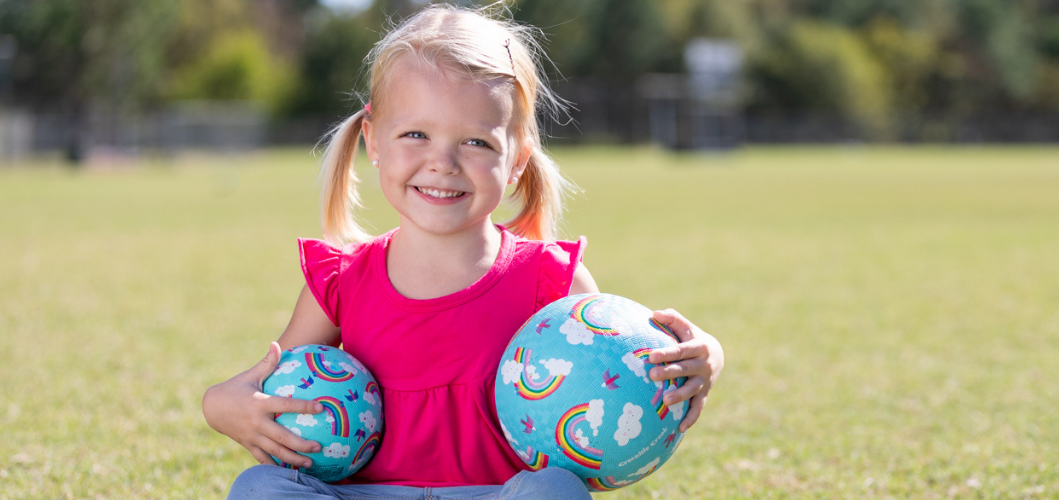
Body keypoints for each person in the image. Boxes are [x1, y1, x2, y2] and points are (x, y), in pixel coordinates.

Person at [201, 4, 725, 499]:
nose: (443, 162)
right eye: (415, 134)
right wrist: (220, 405)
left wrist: (707, 358)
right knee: (259, 487)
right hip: (361, 493)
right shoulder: (340, 281)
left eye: (476, 142)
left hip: (499, 493)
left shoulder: (548, 279)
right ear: (374, 142)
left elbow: (631, 360)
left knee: (554, 491)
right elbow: (273, 387)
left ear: (517, 159)